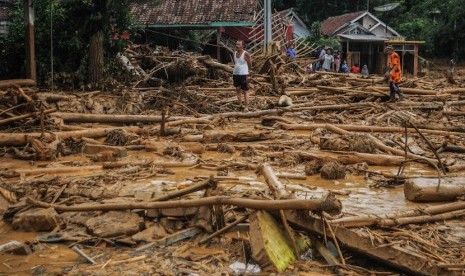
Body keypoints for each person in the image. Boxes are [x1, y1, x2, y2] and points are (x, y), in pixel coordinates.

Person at [233, 40, 252, 112]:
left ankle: (246, 106)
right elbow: (235, 63)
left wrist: (247, 71)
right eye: (236, 44)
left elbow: (250, 63)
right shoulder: (234, 53)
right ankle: (240, 105)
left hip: (243, 74)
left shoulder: (245, 54)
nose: (237, 46)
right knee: (237, 89)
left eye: (239, 44)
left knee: (245, 90)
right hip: (235, 74)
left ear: (242, 46)